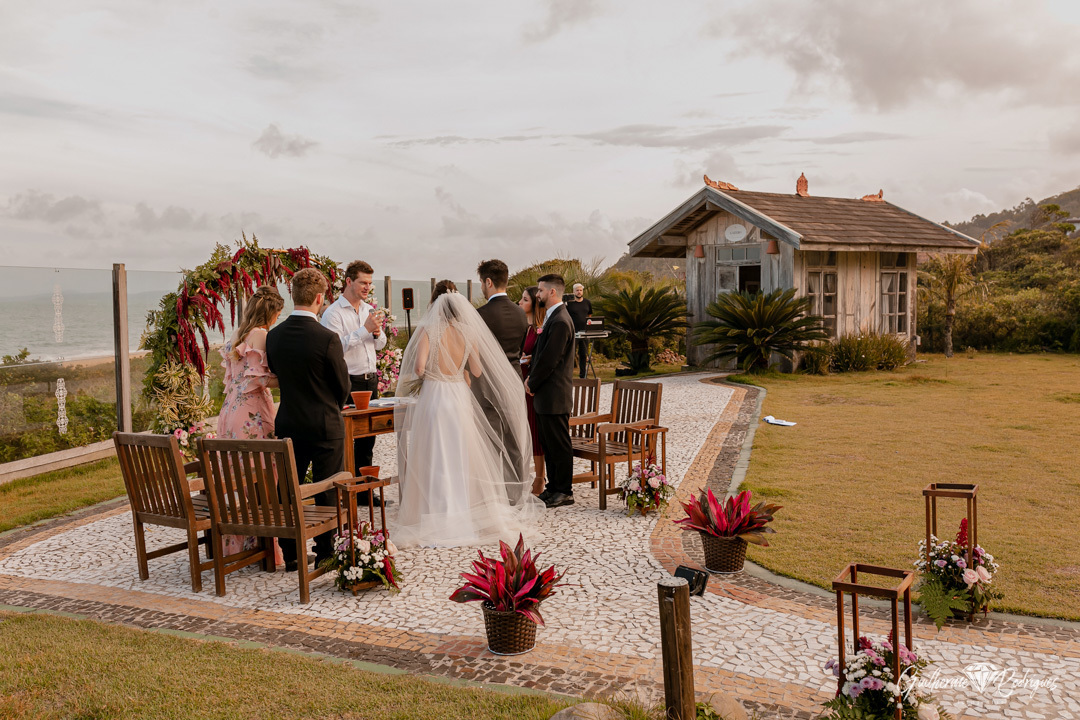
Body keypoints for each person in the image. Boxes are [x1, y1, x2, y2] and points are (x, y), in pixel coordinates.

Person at [393, 282, 544, 547]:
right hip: (458, 396)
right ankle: (464, 512)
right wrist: (457, 369)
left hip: (436, 397)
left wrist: (434, 373)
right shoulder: (467, 331)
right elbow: (475, 371)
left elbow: (418, 368)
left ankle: (437, 512)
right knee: (459, 454)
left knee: (435, 453)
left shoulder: (430, 329)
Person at [265, 268, 351, 572]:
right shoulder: (327, 338)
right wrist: (331, 406)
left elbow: (276, 373)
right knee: (326, 487)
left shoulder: (273, 337)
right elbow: (343, 387)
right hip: (325, 424)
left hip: (288, 422)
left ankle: (291, 554)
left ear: (292, 296)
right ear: (319, 298)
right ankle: (325, 551)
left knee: (288, 488)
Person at [216, 285, 285, 565]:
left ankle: (243, 544)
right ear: (270, 314)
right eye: (278, 315)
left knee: (239, 477)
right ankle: (266, 547)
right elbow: (259, 379)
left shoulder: (237, 334)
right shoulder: (260, 335)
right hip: (251, 411)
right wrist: (288, 377)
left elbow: (237, 378)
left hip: (229, 412)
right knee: (265, 477)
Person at [320, 260, 387, 502]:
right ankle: (347, 491)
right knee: (347, 439)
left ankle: (364, 492)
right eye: (363, 282)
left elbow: (380, 345)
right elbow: (334, 349)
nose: (367, 287)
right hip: (347, 382)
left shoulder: (369, 308)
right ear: (349, 281)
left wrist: (377, 333)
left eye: (370, 283)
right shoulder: (333, 314)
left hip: (370, 381)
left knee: (368, 439)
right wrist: (364, 330)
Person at [526, 274, 576, 509]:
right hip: (547, 396)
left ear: (552, 292)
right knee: (548, 443)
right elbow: (541, 354)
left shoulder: (560, 321)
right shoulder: (552, 318)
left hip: (555, 394)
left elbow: (550, 359)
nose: (538, 295)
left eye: (540, 290)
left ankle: (564, 491)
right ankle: (553, 488)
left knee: (559, 444)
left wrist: (531, 382)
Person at [517, 286, 546, 496]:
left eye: (524, 299)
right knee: (525, 431)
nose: (519, 302)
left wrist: (530, 360)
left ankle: (539, 477)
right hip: (521, 383)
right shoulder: (526, 329)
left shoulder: (539, 329)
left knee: (535, 432)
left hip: (532, 386)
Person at [475, 259, 529, 366]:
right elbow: (520, 348)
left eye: (481, 282)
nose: (481, 287)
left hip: (491, 379)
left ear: (488, 282)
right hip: (516, 377)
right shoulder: (521, 313)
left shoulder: (479, 314)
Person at [564, 283, 593, 379]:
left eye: (580, 290)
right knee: (570, 355)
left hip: (585, 333)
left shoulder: (587, 302)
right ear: (573, 291)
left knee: (583, 355)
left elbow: (590, 315)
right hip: (573, 333)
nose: (579, 292)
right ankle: (568, 376)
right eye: (577, 290)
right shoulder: (569, 303)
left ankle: (583, 376)